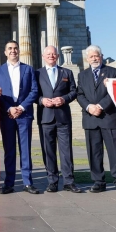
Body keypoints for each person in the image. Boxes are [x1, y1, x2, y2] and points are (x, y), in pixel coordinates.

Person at [76, 45, 116, 195]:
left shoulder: (113, 72)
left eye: (96, 56)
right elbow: (79, 94)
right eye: (91, 56)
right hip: (90, 118)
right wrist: (89, 107)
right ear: (87, 58)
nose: (94, 58)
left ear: (101, 56)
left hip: (109, 117)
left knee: (115, 152)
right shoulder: (82, 75)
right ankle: (98, 182)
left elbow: (114, 93)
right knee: (94, 152)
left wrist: (100, 106)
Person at [0, 40, 39, 194]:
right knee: (9, 150)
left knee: (25, 149)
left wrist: (20, 107)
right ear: (5, 52)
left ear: (19, 51)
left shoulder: (29, 69)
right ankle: (9, 183)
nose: (13, 51)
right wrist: (9, 108)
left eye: (15, 48)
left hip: (24, 115)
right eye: (10, 49)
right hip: (7, 115)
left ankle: (27, 182)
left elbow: (34, 91)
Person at [36, 46, 83, 193]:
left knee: (66, 151)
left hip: (63, 117)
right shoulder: (37, 73)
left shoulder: (66, 72)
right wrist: (42, 100)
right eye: (48, 54)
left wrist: (64, 99)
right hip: (46, 117)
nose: (51, 56)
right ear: (43, 56)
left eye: (54, 54)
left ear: (58, 56)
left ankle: (69, 181)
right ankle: (52, 181)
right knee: (48, 151)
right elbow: (33, 92)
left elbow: (74, 91)